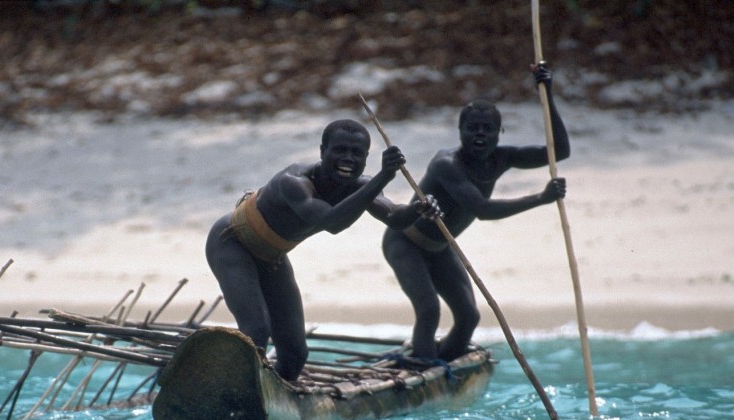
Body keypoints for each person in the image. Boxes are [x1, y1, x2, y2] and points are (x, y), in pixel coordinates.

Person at [206, 119, 436, 381]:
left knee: (294, 354)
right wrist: (384, 176)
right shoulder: (294, 182)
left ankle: (277, 398)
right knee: (257, 332)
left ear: (366, 158)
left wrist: (420, 208)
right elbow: (332, 223)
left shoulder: (363, 186)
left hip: (272, 256)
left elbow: (395, 216)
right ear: (322, 151)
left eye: (356, 153)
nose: (347, 158)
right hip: (232, 243)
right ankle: (234, 394)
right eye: (339, 150)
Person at [382, 64, 571, 362]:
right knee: (429, 310)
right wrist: (541, 198)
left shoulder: (503, 158)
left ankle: (439, 361)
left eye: (488, 129)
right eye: (472, 128)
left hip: (441, 247)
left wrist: (546, 93)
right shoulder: (447, 164)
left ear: (500, 132)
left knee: (469, 317)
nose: (480, 135)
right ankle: (423, 365)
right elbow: (481, 210)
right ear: (460, 132)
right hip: (405, 243)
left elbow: (559, 151)